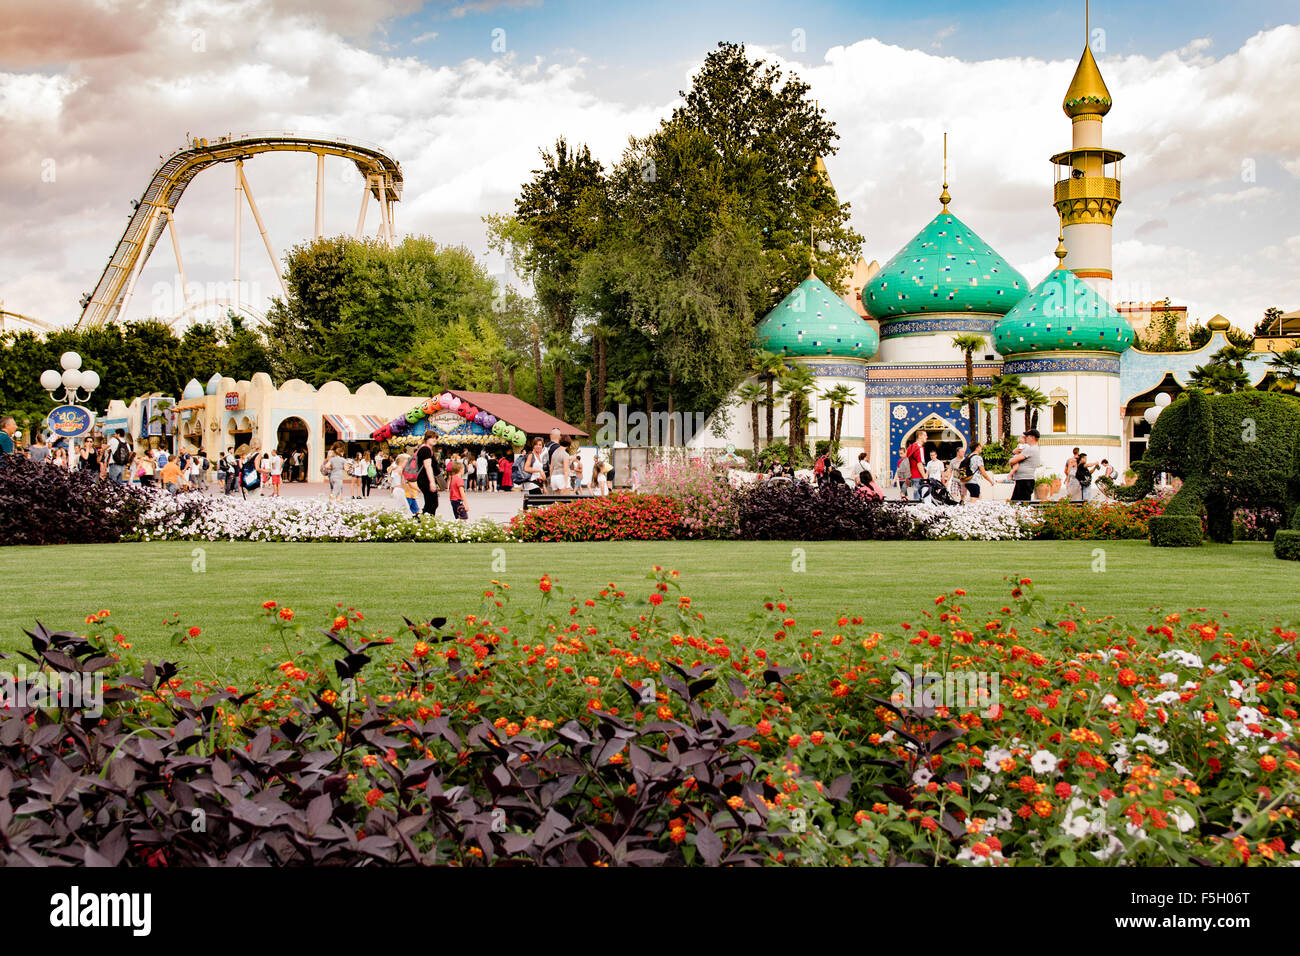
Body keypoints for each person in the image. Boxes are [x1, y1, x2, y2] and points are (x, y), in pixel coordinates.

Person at [1006, 429, 1041, 503]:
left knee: (1021, 503)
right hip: (1023, 479)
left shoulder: (1030, 449)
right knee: (1016, 503)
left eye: (1027, 436)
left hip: (1025, 480)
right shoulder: (1032, 448)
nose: (1025, 438)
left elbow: (1013, 461)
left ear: (1032, 437)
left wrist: (1012, 456)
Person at [416, 433, 441, 517]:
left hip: (424, 479)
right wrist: (432, 482)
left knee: (431, 503)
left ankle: (421, 521)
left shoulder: (425, 449)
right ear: (426, 439)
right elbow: (428, 466)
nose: (434, 440)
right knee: (432, 503)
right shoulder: (425, 449)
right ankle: (424, 522)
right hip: (425, 479)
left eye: (435, 438)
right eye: (432, 438)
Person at [905, 430, 927, 501]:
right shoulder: (920, 448)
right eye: (925, 435)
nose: (926, 437)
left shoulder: (910, 447)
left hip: (911, 474)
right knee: (919, 495)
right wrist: (924, 476)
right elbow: (920, 463)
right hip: (918, 475)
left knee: (915, 493)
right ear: (920, 436)